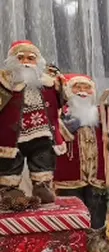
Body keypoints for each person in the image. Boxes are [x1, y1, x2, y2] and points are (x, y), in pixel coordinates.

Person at [54, 74, 109, 252]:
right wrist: (65, 128)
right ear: (69, 91)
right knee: (71, 207)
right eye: (77, 87)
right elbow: (50, 137)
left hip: (98, 172)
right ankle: (73, 243)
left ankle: (97, 241)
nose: (82, 91)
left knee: (97, 205)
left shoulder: (104, 112)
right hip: (69, 173)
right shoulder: (60, 113)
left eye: (86, 87)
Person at [0, 40, 66, 209]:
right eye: (20, 58)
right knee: (10, 163)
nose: (26, 62)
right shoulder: (5, 83)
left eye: (31, 58)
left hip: (42, 133)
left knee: (43, 160)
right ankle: (9, 191)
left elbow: (61, 104)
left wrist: (62, 87)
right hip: (12, 135)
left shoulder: (48, 84)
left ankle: (41, 187)